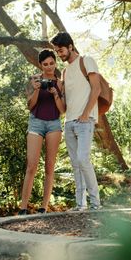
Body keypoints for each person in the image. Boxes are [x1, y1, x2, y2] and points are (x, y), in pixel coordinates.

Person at [51, 32, 102, 211]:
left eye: (61, 50)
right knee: (75, 164)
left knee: (83, 159)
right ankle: (81, 204)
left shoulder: (86, 60)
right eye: (57, 51)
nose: (60, 54)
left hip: (84, 120)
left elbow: (96, 88)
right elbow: (64, 107)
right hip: (69, 122)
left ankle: (96, 203)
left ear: (70, 46)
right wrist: (56, 94)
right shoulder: (64, 72)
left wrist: (86, 114)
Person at [18, 49, 65, 215]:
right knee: (31, 166)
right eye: (45, 64)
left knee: (49, 167)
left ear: (55, 63)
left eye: (52, 63)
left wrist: (55, 95)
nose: (49, 67)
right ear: (40, 65)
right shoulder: (33, 80)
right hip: (36, 123)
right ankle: (23, 208)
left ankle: (43, 207)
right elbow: (30, 106)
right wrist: (37, 89)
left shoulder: (60, 83)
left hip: (54, 124)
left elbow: (62, 110)